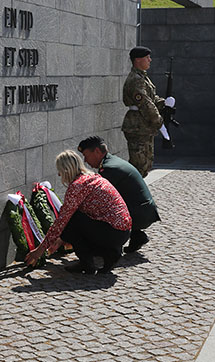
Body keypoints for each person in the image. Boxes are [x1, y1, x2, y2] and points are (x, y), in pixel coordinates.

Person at [25, 150, 132, 274]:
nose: (59, 175)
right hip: (123, 231)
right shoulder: (92, 177)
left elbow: (62, 221)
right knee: (71, 222)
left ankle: (89, 262)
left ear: (66, 170)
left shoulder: (77, 186)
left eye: (59, 170)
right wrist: (59, 240)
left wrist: (39, 250)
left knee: (68, 222)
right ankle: (109, 252)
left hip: (111, 232)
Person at [78, 136, 160, 253]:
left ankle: (108, 245)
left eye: (86, 156)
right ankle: (137, 236)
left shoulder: (109, 169)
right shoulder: (112, 161)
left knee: (95, 212)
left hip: (139, 214)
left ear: (96, 151)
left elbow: (100, 199)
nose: (85, 161)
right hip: (145, 211)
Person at [122, 46, 175, 177]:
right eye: (147, 57)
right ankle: (131, 195)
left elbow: (151, 98)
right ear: (138, 60)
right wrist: (159, 122)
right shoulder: (136, 79)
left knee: (146, 163)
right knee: (138, 165)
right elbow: (145, 103)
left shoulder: (142, 77)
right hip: (137, 126)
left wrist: (164, 103)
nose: (150, 60)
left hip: (144, 126)